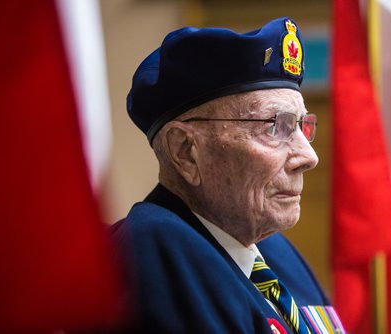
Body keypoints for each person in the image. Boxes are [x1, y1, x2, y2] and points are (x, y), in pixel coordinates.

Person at [110, 17, 345, 333]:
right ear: (185, 151)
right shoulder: (158, 250)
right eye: (276, 126)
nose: (308, 157)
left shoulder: (271, 249)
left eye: (302, 126)